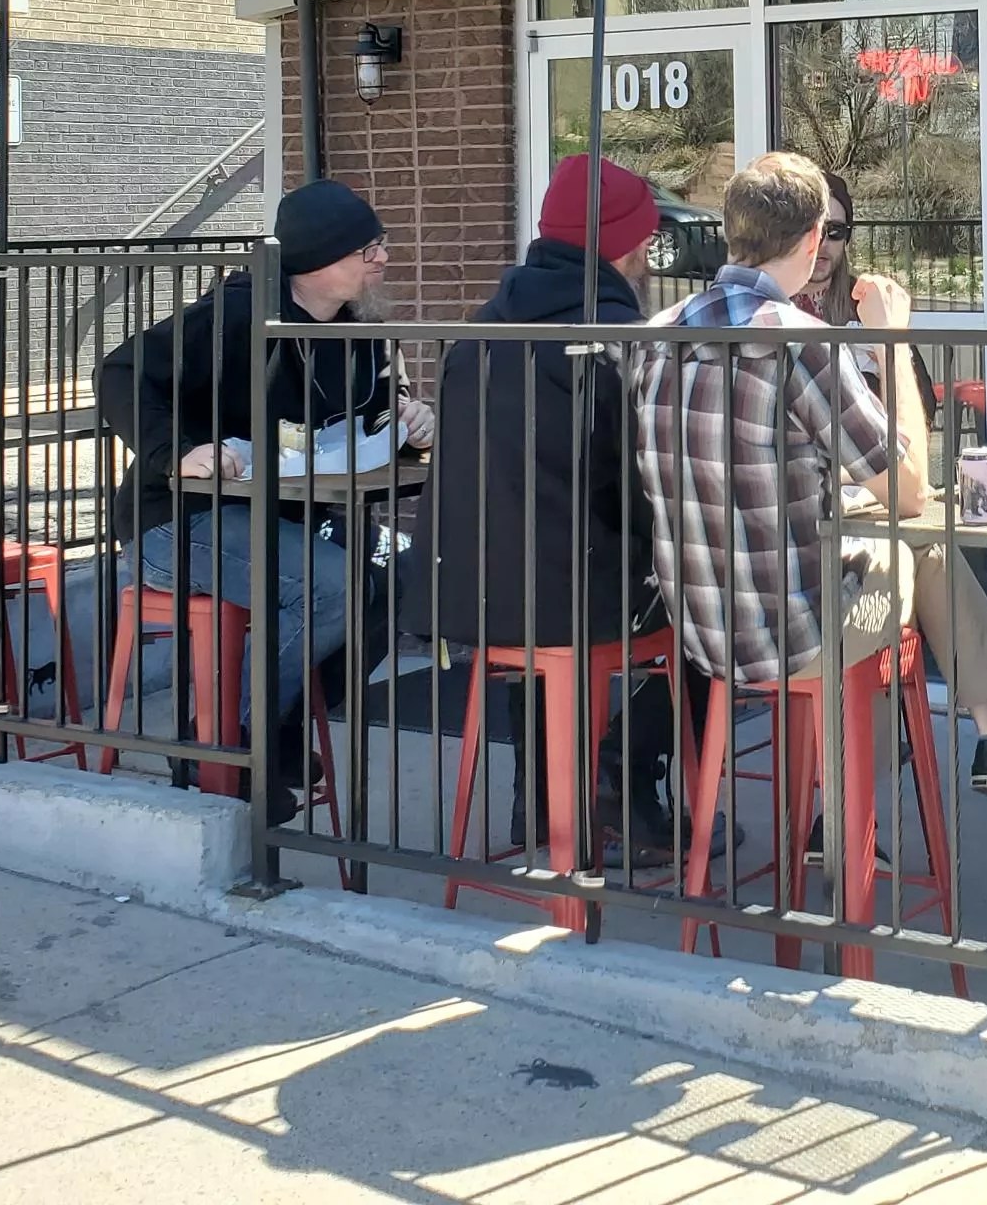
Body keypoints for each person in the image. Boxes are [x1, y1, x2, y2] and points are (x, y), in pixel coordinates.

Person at [631, 152, 987, 805]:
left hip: (701, 631)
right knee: (920, 545)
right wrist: (892, 341)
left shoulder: (656, 335)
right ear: (815, 237)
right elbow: (908, 492)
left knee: (887, 559)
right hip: (792, 638)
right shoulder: (802, 340)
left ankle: (941, 765)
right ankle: (981, 742)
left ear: (732, 230)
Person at [96, 179, 425, 820]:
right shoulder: (240, 315)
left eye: (380, 245)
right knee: (332, 585)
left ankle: (280, 722)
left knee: (399, 578)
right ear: (317, 259)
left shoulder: (353, 335)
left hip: (281, 518)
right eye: (368, 249)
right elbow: (121, 370)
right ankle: (229, 744)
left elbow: (360, 415)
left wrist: (407, 420)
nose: (382, 259)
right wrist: (177, 451)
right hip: (180, 518)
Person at [407, 155, 683, 869]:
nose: (649, 256)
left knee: (542, 609)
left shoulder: (480, 329)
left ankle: (543, 801)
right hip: (578, 595)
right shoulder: (615, 335)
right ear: (626, 246)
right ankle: (628, 781)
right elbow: (647, 479)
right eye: (647, 242)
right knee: (718, 616)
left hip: (473, 593)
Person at [796, 169, 987, 805]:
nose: (825, 246)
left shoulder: (864, 306)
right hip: (807, 537)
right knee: (921, 553)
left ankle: (847, 814)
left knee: (909, 551)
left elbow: (920, 424)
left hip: (863, 507)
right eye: (813, 231)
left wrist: (892, 340)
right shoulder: (774, 319)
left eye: (836, 231)